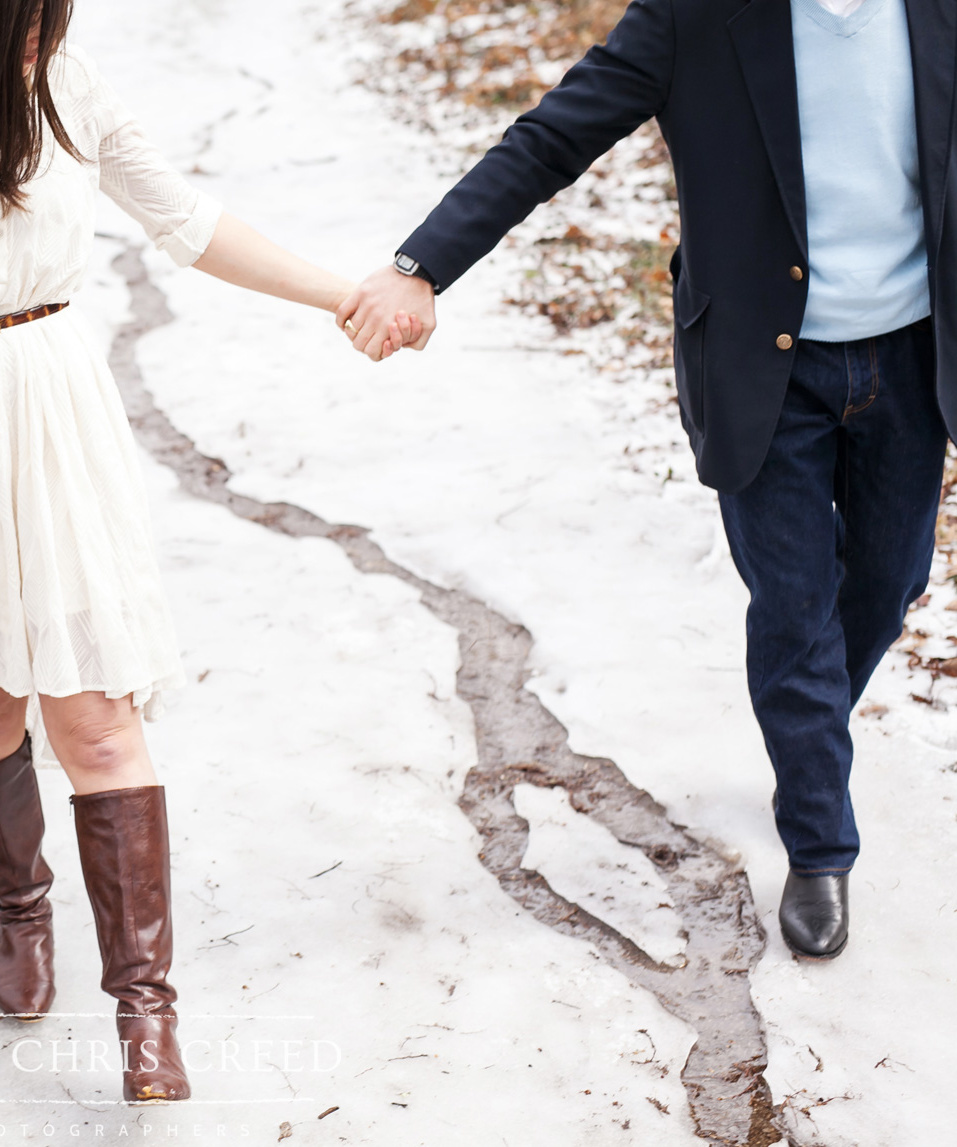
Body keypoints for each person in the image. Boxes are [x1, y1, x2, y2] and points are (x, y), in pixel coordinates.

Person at [0, 0, 412, 1101]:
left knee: (95, 713)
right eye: (26, 19)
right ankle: (21, 906)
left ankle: (145, 1006)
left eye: (53, 17)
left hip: (50, 412)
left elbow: (186, 220)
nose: (43, 38)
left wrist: (340, 294)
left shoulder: (65, 88)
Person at [340, 0, 957, 961]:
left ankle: (809, 737)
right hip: (764, 366)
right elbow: (552, 137)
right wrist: (422, 264)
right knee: (795, 611)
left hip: (914, 359)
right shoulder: (699, 15)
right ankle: (820, 839)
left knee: (887, 583)